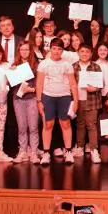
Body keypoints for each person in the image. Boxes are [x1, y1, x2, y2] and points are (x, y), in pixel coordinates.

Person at [37, 38, 80, 166]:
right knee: (48, 125)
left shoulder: (67, 65)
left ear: (62, 51)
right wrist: (39, 101)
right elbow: (39, 84)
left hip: (64, 97)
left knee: (65, 124)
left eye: (59, 49)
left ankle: (68, 151)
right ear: (50, 49)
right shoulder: (44, 64)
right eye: (54, 48)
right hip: (48, 97)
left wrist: (76, 101)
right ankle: (46, 153)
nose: (56, 51)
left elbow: (73, 84)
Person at [72, 44, 103, 163]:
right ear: (78, 53)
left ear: (91, 54)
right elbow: (70, 83)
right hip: (77, 100)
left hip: (91, 100)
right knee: (80, 124)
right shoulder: (73, 66)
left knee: (91, 125)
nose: (84, 54)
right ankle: (80, 146)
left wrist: (95, 88)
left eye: (87, 52)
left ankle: (94, 149)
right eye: (82, 51)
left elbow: (100, 85)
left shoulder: (96, 67)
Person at [11, 42, 40, 164]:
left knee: (33, 127)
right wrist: (11, 72)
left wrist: (32, 89)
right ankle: (22, 151)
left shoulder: (36, 65)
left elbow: (40, 83)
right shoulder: (14, 65)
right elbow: (9, 83)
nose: (24, 51)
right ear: (19, 51)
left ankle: (33, 152)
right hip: (18, 99)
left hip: (32, 98)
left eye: (26, 49)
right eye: (21, 49)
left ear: (30, 51)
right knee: (22, 127)